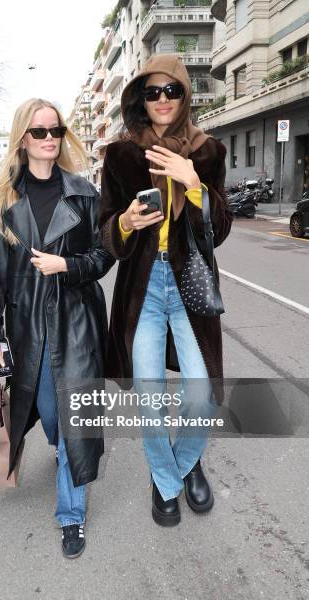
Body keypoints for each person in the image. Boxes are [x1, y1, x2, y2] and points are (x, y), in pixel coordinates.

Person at [98, 53, 233, 527]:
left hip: (189, 286)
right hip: (143, 290)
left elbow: (220, 230)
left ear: (184, 95)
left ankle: (186, 460)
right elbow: (105, 235)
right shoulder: (118, 156)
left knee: (201, 391)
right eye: (152, 92)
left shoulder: (208, 151)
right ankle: (167, 478)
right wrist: (126, 222)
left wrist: (193, 184)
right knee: (149, 395)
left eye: (171, 90)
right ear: (139, 97)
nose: (161, 100)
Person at [0, 98, 114, 558]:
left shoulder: (83, 192)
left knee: (73, 418)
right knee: (53, 419)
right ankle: (65, 450)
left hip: (75, 321)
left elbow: (102, 257)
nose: (50, 139)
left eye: (55, 130)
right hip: (28, 328)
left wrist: (67, 265)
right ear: (23, 139)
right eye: (39, 132)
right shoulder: (4, 202)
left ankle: (71, 515)